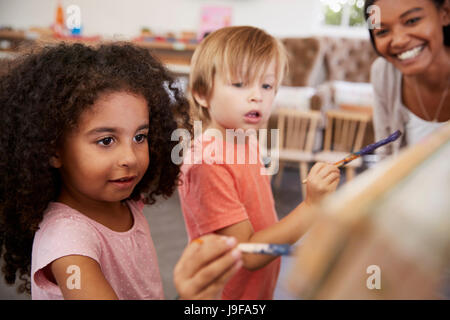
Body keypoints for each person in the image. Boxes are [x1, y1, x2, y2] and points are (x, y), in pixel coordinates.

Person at [0, 43, 242, 299]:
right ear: (53, 149)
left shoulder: (126, 203)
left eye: (140, 137)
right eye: (106, 141)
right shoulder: (68, 246)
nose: (130, 157)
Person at [178, 26, 340, 300]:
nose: (258, 96)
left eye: (266, 85)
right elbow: (250, 253)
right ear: (202, 94)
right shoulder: (207, 162)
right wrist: (312, 205)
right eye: (240, 84)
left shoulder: (245, 138)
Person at [365, 0, 450, 157]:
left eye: (412, 21)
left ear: (445, 13)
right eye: (382, 31)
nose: (399, 41)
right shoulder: (383, 72)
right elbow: (386, 156)